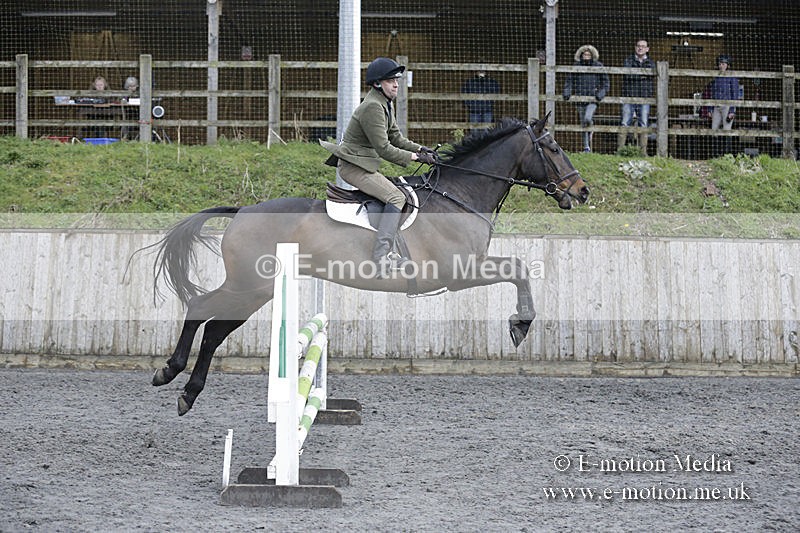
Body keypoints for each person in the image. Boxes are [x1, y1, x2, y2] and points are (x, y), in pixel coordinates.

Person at [319, 57, 436, 277]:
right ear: (376, 83)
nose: (396, 84)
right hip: (354, 167)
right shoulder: (373, 106)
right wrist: (415, 158)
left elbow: (396, 138)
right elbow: (384, 148)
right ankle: (381, 257)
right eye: (390, 80)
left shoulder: (383, 103)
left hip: (363, 164)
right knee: (396, 198)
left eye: (397, 80)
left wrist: (422, 150)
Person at [563, 44, 609, 152]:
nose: (586, 56)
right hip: (580, 99)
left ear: (592, 55)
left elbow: (606, 83)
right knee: (583, 123)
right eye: (585, 54)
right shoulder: (576, 66)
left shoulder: (598, 66)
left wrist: (600, 94)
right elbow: (569, 81)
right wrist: (567, 92)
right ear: (581, 55)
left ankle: (591, 128)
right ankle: (586, 147)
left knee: (588, 118)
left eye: (588, 54)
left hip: (593, 99)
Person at [618, 40, 655, 152]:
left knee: (643, 123)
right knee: (625, 122)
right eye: (638, 46)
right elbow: (628, 75)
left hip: (644, 97)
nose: (640, 48)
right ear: (635, 48)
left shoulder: (651, 62)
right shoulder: (628, 61)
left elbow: (651, 76)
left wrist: (636, 74)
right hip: (629, 96)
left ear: (647, 49)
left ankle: (643, 152)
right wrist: (643, 75)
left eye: (643, 46)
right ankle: (620, 151)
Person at [707, 54, 741, 156]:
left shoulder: (732, 78)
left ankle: (727, 155)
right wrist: (710, 109)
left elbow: (735, 95)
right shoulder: (716, 78)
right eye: (720, 64)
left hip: (727, 106)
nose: (721, 66)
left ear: (728, 65)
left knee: (727, 130)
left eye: (723, 64)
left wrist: (732, 111)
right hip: (716, 107)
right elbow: (712, 94)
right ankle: (715, 155)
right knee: (714, 130)